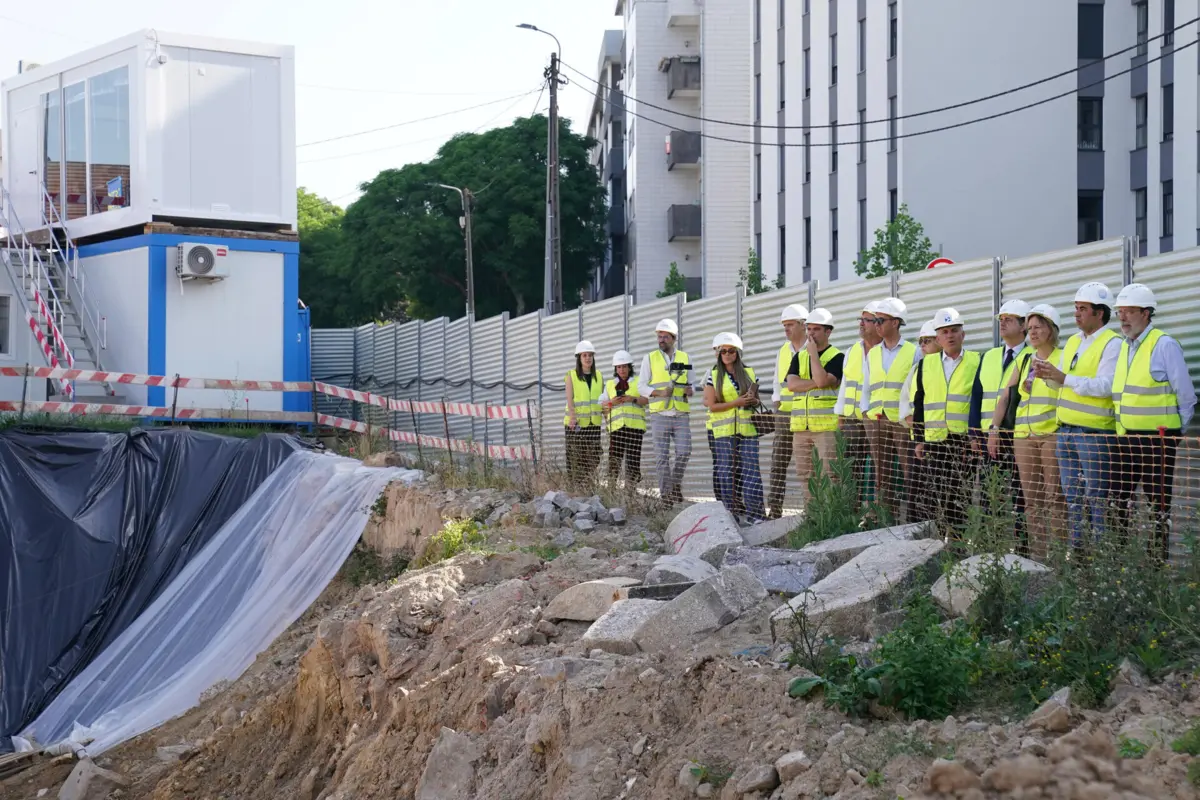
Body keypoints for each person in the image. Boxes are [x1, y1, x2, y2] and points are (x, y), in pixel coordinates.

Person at [1108, 283, 1196, 560]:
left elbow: (1186, 394)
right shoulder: (1125, 346)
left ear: (1146, 313)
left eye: (1129, 311)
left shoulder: (1164, 344)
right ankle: (1120, 561)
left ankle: (1155, 564)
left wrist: (1176, 431)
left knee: (1158, 505)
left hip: (1158, 438)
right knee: (1118, 501)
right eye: (1120, 312)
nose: (1123, 317)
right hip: (1127, 437)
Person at [1030, 282, 1121, 544]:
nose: (1076, 314)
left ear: (1099, 313)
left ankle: (1099, 553)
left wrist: (1064, 378)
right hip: (1066, 431)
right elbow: (1063, 382)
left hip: (1093, 434)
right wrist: (1048, 377)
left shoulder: (1112, 343)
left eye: (1082, 308)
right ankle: (1077, 552)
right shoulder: (1073, 342)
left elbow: (1106, 386)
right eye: (1076, 308)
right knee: (1072, 498)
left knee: (1096, 497)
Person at [989, 305, 1066, 560]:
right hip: (1023, 437)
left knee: (1055, 499)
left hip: (1050, 435)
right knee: (1031, 501)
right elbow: (1006, 396)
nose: (1032, 332)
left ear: (1051, 329)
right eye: (1029, 328)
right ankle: (1038, 557)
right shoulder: (1024, 359)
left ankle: (1059, 559)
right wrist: (994, 429)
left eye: (1038, 327)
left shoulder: (1063, 357)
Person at [911, 308, 981, 532]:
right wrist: (919, 439)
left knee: (961, 495)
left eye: (954, 330)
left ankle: (958, 548)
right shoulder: (926, 364)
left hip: (962, 441)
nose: (950, 335)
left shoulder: (977, 361)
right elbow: (919, 403)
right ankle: (937, 544)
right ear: (938, 338)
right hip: (934, 440)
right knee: (935, 496)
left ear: (963, 334)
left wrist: (974, 436)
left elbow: (978, 402)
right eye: (944, 332)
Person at [970, 299, 1031, 545]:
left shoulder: (1032, 355)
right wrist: (974, 435)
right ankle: (989, 544)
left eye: (1009, 319)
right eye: (1001, 320)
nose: (1003, 324)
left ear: (1024, 325)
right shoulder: (990, 356)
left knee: (1020, 494)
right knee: (987, 494)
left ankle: (1021, 546)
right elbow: (975, 396)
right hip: (988, 437)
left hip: (1018, 436)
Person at [703, 332, 766, 523]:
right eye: (724, 351)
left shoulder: (749, 372)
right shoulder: (713, 375)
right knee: (726, 473)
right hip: (724, 432)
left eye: (731, 351)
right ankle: (730, 514)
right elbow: (712, 406)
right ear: (719, 354)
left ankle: (756, 514)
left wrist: (752, 400)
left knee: (752, 472)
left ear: (737, 353)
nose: (728, 354)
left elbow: (757, 401)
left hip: (747, 430)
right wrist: (737, 402)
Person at [864, 297, 917, 522]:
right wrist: (866, 411)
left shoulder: (913, 351)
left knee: (909, 471)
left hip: (902, 420)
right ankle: (886, 519)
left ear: (896, 322)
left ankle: (913, 519)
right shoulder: (874, 353)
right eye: (875, 320)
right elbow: (867, 385)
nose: (876, 324)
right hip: (876, 418)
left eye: (881, 320)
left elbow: (916, 387)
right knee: (881, 473)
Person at [785, 308, 844, 507]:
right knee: (805, 474)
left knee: (830, 473)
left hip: (826, 428)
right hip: (801, 427)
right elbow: (792, 385)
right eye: (809, 329)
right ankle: (811, 515)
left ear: (828, 332)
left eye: (816, 329)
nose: (811, 334)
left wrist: (813, 357)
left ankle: (831, 513)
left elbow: (821, 379)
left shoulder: (837, 357)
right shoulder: (798, 357)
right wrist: (817, 382)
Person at [834, 300, 886, 502]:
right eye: (861, 320)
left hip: (876, 420)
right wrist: (840, 416)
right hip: (851, 421)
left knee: (877, 470)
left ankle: (875, 512)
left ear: (878, 324)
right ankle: (850, 511)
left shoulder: (886, 350)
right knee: (850, 469)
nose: (861, 324)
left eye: (867, 320)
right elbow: (845, 384)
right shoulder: (852, 351)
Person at [638, 318, 693, 504]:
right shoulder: (649, 358)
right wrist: (658, 392)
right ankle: (666, 496)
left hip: (680, 414)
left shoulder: (685, 358)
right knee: (662, 458)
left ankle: (675, 486)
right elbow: (641, 386)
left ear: (673, 338)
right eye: (659, 336)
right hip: (659, 414)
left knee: (684, 452)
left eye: (665, 336)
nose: (661, 339)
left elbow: (690, 384)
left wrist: (689, 390)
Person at [767, 304, 809, 517]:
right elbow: (777, 380)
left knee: (809, 466)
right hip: (785, 414)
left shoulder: (813, 348)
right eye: (784, 325)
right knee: (778, 462)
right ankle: (774, 511)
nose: (786, 329)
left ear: (803, 325)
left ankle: (812, 511)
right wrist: (777, 401)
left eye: (790, 325)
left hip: (808, 414)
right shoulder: (783, 351)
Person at [901, 319, 942, 523]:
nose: (923, 346)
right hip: (918, 441)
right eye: (921, 341)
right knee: (916, 489)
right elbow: (905, 403)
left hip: (943, 440)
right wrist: (917, 430)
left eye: (928, 340)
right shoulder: (918, 369)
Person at [600, 350, 648, 485]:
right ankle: (611, 488)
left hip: (635, 429)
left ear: (630, 367)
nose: (622, 370)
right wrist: (611, 403)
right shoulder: (610, 385)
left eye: (625, 366)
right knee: (614, 460)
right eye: (619, 367)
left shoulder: (639, 382)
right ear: (615, 368)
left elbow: (647, 400)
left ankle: (631, 491)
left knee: (633, 460)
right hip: (617, 429)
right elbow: (601, 405)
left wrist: (632, 399)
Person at [564, 340, 603, 485]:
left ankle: (588, 484)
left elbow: (601, 399)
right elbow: (569, 398)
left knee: (594, 455)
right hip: (576, 424)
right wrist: (573, 416)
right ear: (579, 358)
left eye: (590, 355)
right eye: (584, 355)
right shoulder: (571, 375)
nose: (588, 358)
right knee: (576, 457)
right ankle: (575, 486)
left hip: (594, 423)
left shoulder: (599, 375)